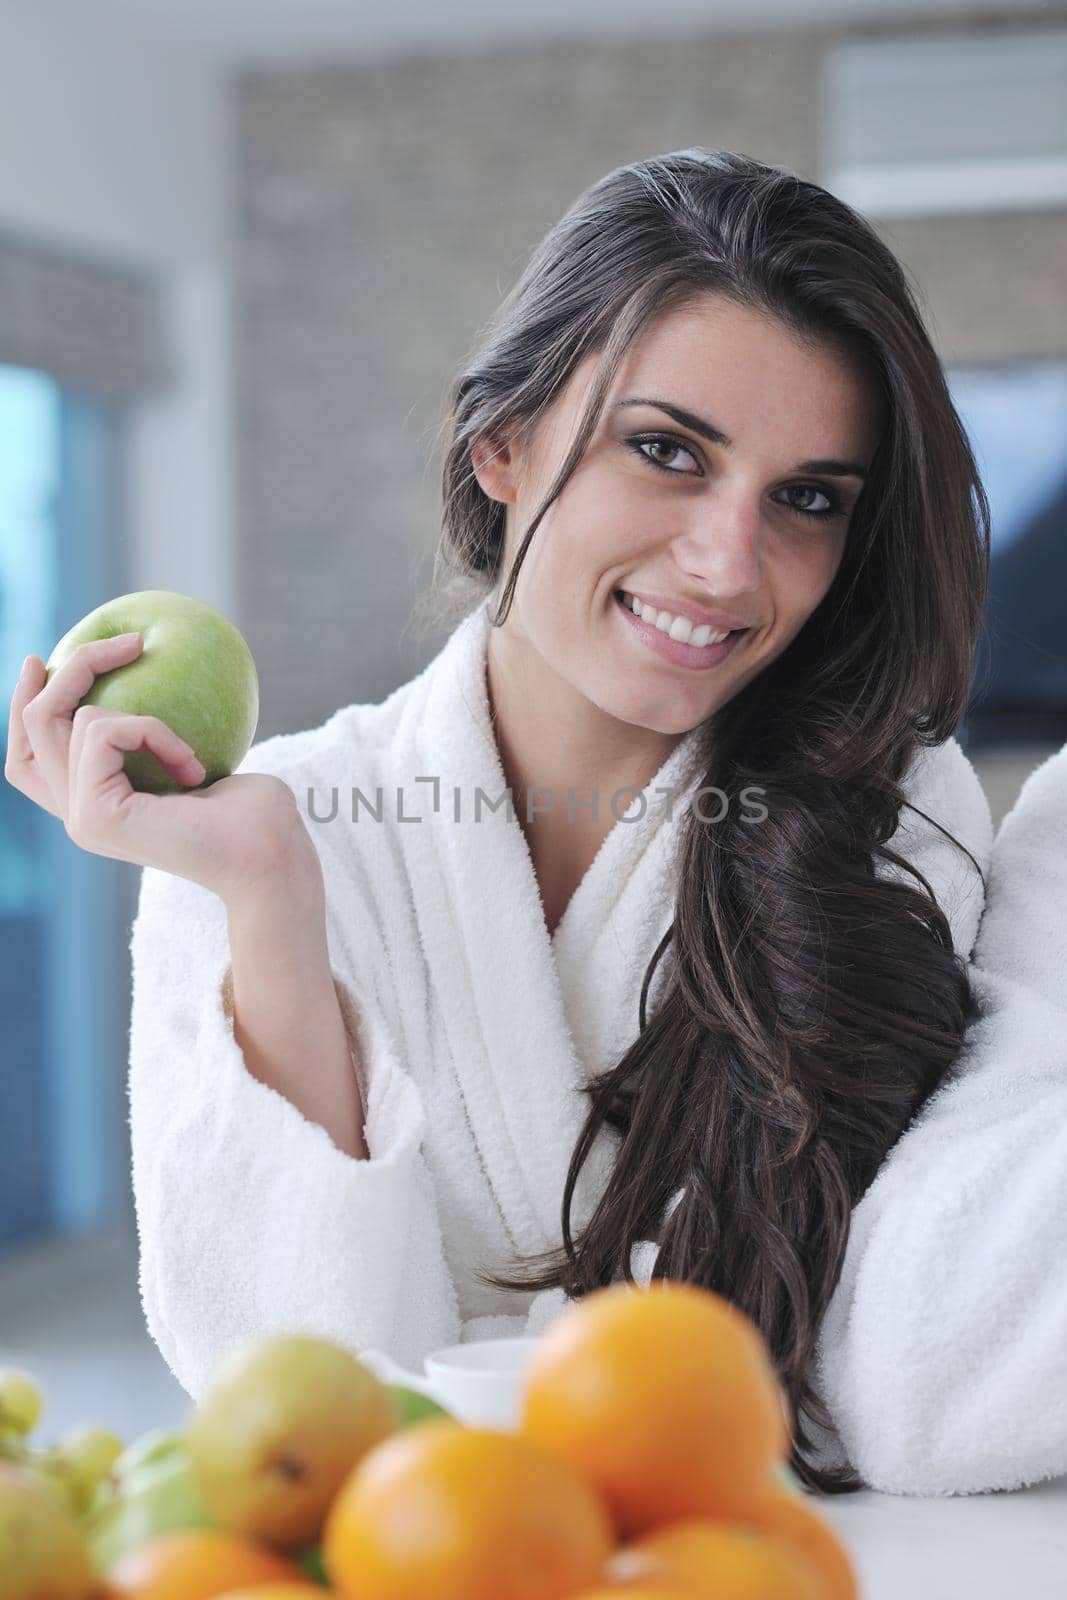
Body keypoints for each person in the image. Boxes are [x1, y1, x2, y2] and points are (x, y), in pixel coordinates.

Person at [6, 148, 1065, 1498]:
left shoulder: (889, 816)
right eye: (667, 450)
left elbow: (855, 1366)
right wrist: (270, 902)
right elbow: (287, 1409)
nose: (729, 563)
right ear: (499, 445)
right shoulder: (274, 829)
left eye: (808, 498)